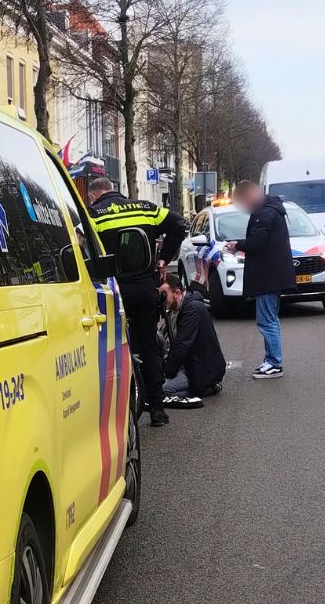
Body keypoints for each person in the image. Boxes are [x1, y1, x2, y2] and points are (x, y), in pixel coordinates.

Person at [85, 176, 187, 426]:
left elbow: (82, 247)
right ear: (114, 190)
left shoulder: (93, 214)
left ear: (94, 195)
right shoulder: (146, 208)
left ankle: (114, 414)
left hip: (112, 293)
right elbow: (180, 225)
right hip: (144, 290)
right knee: (149, 350)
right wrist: (163, 259)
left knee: (110, 350)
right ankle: (157, 411)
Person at [226, 180, 294, 378]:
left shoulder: (265, 213)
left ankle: (274, 363)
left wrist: (236, 245)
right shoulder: (271, 209)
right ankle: (271, 360)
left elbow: (257, 242)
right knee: (269, 319)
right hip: (273, 274)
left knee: (267, 320)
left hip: (268, 276)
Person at [159, 274, 224, 409]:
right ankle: (203, 387)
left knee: (162, 390)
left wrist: (167, 372)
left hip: (199, 369)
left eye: (164, 295)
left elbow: (182, 344)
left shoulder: (191, 309)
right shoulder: (174, 310)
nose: (162, 299)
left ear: (177, 292)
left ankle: (204, 388)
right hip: (189, 365)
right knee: (157, 387)